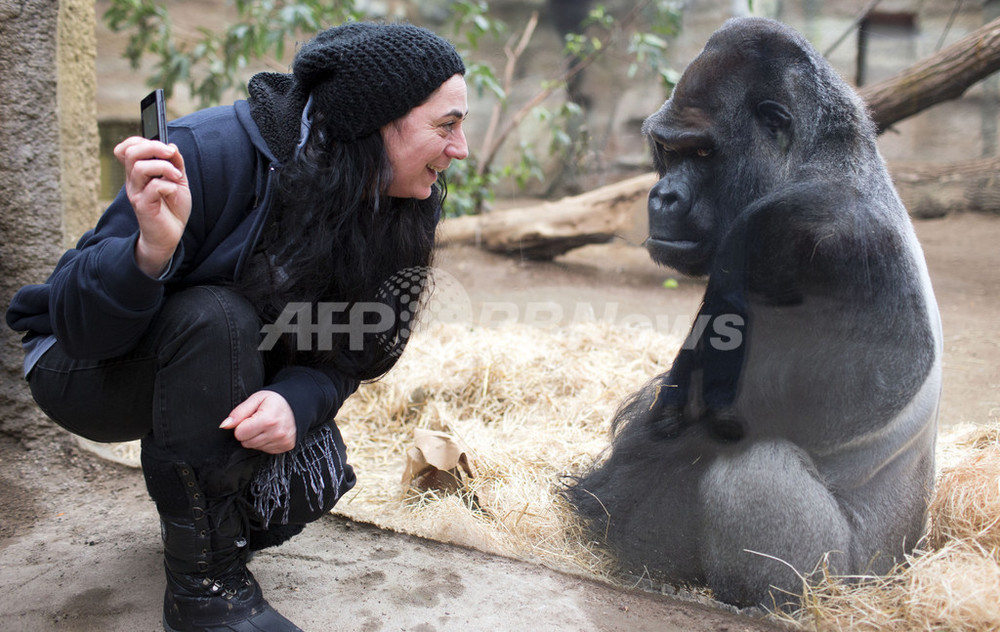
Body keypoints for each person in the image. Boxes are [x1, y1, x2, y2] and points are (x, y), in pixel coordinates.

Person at [5, 21, 468, 632]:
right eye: (447, 125)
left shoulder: (405, 198)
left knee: (310, 475)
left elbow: (356, 346)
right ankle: (207, 592)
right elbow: (79, 326)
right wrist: (148, 255)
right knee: (218, 314)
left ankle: (198, 516)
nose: (460, 148)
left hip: (210, 368)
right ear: (378, 121)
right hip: (82, 368)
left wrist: (292, 399)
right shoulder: (207, 151)